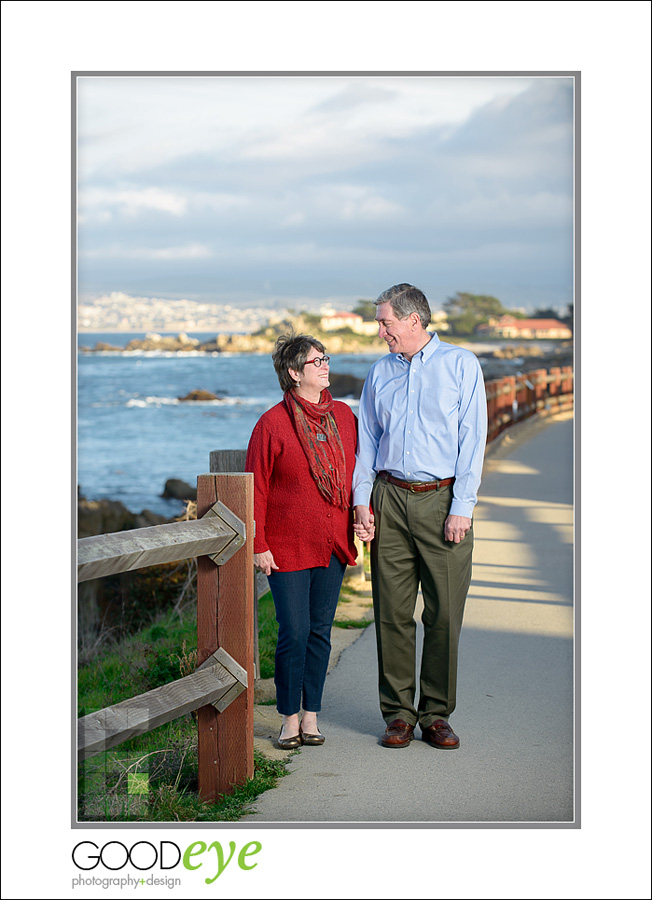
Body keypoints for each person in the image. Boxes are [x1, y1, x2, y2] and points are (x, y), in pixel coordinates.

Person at [352, 284, 487, 750]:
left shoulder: (461, 365)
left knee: (444, 614)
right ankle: (397, 715)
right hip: (389, 497)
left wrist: (462, 507)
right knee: (391, 614)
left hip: (441, 501)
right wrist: (362, 501)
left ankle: (436, 714)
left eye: (385, 322)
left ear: (413, 320)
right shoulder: (379, 373)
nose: (381, 331)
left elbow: (473, 439)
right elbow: (366, 442)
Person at [246, 333, 359, 750]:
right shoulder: (272, 423)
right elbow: (255, 488)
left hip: (333, 543)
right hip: (287, 545)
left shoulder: (345, 417)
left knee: (320, 631)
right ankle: (288, 718)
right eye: (316, 361)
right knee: (293, 631)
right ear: (294, 374)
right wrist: (259, 543)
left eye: (326, 358)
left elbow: (357, 473)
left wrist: (363, 512)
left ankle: (312, 715)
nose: (325, 365)